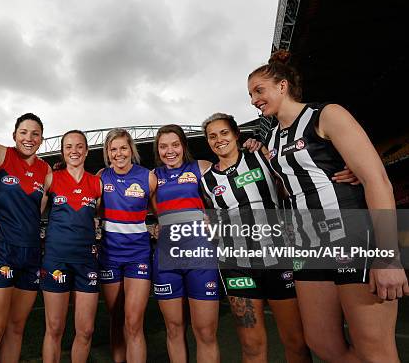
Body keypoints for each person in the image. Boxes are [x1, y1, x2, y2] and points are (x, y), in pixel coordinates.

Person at [247, 50, 409, 362]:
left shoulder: (326, 114)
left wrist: (388, 256)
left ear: (282, 86)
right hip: (309, 247)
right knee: (322, 344)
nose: (254, 100)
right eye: (250, 94)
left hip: (353, 238)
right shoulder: (276, 139)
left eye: (259, 91)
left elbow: (378, 181)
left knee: (375, 350)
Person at [201, 113, 311, 363]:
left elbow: (296, 178)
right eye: (212, 136)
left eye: (224, 133)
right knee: (251, 345)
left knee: (295, 340)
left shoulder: (260, 156)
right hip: (238, 267)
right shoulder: (206, 181)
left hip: (277, 261)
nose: (219, 139)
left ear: (236, 134)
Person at [0, 113, 50, 363]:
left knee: (16, 330)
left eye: (35, 134)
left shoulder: (46, 171)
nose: (29, 138)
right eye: (24, 132)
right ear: (14, 135)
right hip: (2, 252)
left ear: (41, 139)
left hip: (31, 256)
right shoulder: (0, 153)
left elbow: (46, 206)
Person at [152, 124, 220, 363]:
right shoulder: (153, 177)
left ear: (183, 145)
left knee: (205, 332)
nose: (169, 151)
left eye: (174, 144)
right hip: (166, 258)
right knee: (173, 328)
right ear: (157, 150)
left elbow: (232, 173)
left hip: (200, 255)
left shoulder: (201, 167)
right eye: (163, 146)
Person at [40, 130, 102, 363]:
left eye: (79, 146)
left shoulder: (96, 183)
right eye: (68, 146)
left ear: (86, 151)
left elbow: (102, 215)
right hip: (56, 260)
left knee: (85, 331)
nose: (74, 151)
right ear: (63, 151)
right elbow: (31, 211)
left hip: (87, 262)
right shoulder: (51, 179)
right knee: (54, 329)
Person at [97, 128, 157, 363]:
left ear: (131, 149)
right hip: (109, 255)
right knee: (116, 318)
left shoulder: (147, 177)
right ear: (107, 153)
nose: (119, 153)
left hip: (138, 256)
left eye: (123, 148)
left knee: (133, 322)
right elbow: (92, 209)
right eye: (113, 149)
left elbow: (160, 212)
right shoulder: (102, 176)